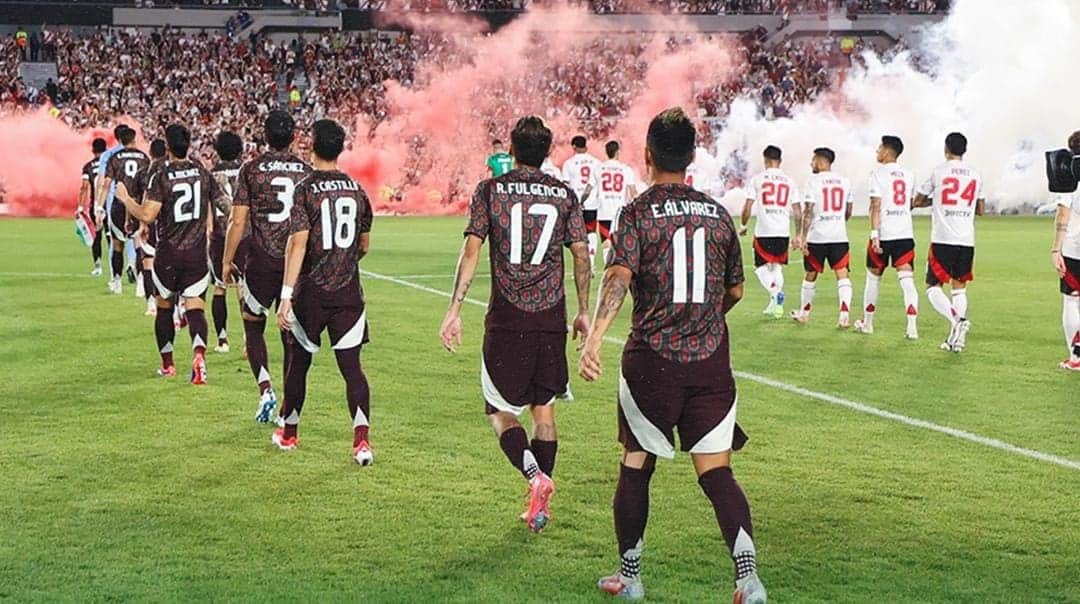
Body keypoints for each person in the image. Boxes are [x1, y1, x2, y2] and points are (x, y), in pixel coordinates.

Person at [579, 107, 766, 604]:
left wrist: (596, 336)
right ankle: (747, 578)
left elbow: (618, 276)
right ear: (693, 157)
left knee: (636, 465)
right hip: (710, 364)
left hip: (652, 363)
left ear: (647, 155)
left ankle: (631, 577)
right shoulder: (720, 215)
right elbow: (737, 291)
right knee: (717, 472)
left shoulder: (637, 213)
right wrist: (704, 315)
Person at [439, 116, 591, 533]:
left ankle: (534, 478)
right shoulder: (563, 194)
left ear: (512, 148)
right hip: (551, 317)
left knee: (499, 410)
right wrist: (583, 310)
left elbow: (471, 251)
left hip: (507, 318)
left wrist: (454, 309)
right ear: (545, 152)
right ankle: (539, 507)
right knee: (545, 411)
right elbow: (581, 254)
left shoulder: (491, 190)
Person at [274, 119, 376, 465]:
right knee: (352, 368)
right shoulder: (357, 190)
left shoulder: (304, 189)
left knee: (299, 364)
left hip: (311, 292)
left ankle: (289, 434)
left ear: (312, 146)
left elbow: (298, 243)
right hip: (348, 292)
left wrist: (286, 294)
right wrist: (343, 261)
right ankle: (362, 442)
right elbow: (364, 245)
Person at [113, 124, 226, 384]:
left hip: (168, 254)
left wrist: (125, 198)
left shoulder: (162, 175)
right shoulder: (202, 172)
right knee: (196, 307)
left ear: (167, 145)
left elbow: (147, 215)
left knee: (165, 308)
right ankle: (199, 355)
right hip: (197, 252)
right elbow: (223, 205)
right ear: (189, 144)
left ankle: (168, 365)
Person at [223, 111, 311, 423]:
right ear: (294, 137)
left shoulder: (252, 169)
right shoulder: (306, 170)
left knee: (252, 323)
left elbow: (238, 220)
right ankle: (287, 405)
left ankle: (265, 388)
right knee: (290, 332)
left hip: (261, 258)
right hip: (294, 263)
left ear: (264, 135)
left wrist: (226, 259)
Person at [913, 132, 985, 353]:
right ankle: (956, 341)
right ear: (964, 150)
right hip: (966, 239)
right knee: (959, 289)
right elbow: (981, 209)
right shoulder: (975, 174)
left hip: (943, 238)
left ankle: (957, 321)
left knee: (932, 287)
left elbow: (917, 200)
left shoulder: (939, 171)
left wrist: (936, 201)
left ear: (946, 148)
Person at [854, 135, 918, 339]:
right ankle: (911, 327)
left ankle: (868, 323)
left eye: (880, 148)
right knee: (907, 281)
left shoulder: (877, 174)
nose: (877, 151)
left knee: (873, 279)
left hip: (884, 234)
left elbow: (875, 206)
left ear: (888, 152)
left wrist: (874, 235)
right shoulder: (909, 175)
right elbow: (909, 203)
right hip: (905, 234)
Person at [791, 148, 853, 327]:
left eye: (813, 160)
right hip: (839, 236)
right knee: (842, 275)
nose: (811, 163)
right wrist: (838, 222)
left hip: (817, 237)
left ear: (820, 160)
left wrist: (802, 236)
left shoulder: (813, 181)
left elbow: (808, 211)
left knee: (810, 274)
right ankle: (844, 316)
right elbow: (848, 211)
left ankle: (804, 314)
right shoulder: (845, 181)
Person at [741, 145, 798, 319]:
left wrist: (743, 225)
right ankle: (775, 305)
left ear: (765, 160)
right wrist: (799, 234)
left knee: (761, 268)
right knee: (776, 267)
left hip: (764, 231)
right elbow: (798, 209)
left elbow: (748, 206)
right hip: (783, 231)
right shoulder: (789, 181)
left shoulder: (758, 179)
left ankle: (775, 294)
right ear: (780, 161)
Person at [209, 131, 244, 354]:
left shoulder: (210, 175)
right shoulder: (247, 171)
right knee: (243, 287)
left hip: (221, 236)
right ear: (239, 150)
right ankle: (247, 339)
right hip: (243, 235)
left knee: (219, 287)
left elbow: (208, 210)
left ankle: (222, 340)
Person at [95, 125, 137, 294]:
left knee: (116, 239)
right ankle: (132, 265)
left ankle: (115, 277)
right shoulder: (140, 155)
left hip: (115, 199)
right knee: (135, 236)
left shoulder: (109, 155)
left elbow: (102, 180)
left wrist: (98, 205)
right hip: (134, 199)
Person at [582, 141, 639, 267]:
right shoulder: (626, 169)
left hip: (604, 210)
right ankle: (620, 266)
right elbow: (633, 192)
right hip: (620, 212)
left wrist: (581, 201)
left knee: (606, 242)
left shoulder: (599, 169)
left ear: (606, 152)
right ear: (618, 152)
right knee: (621, 243)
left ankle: (608, 268)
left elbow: (588, 189)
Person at [1052, 132, 1080, 371]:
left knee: (1071, 300)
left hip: (1075, 248)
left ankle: (1076, 358)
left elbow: (1063, 215)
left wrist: (1055, 249)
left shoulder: (1068, 177)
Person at [132, 138, 168, 317]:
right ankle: (178, 306)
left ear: (151, 153)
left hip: (152, 221)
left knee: (148, 263)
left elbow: (141, 198)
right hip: (171, 224)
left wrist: (141, 223)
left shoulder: (145, 172)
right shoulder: (172, 170)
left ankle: (151, 303)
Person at [561, 135, 602, 266]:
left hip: (576, 204)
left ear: (574, 146)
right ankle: (592, 259)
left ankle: (582, 264)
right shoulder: (597, 162)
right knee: (591, 232)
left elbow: (566, 185)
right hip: (592, 203)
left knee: (577, 235)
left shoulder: (569, 163)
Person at [79, 138, 108, 276]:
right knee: (112, 237)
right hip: (109, 204)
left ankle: (97, 267)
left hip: (95, 205)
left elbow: (84, 187)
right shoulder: (110, 163)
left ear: (93, 150)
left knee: (97, 236)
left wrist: (80, 206)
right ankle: (116, 269)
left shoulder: (88, 166)